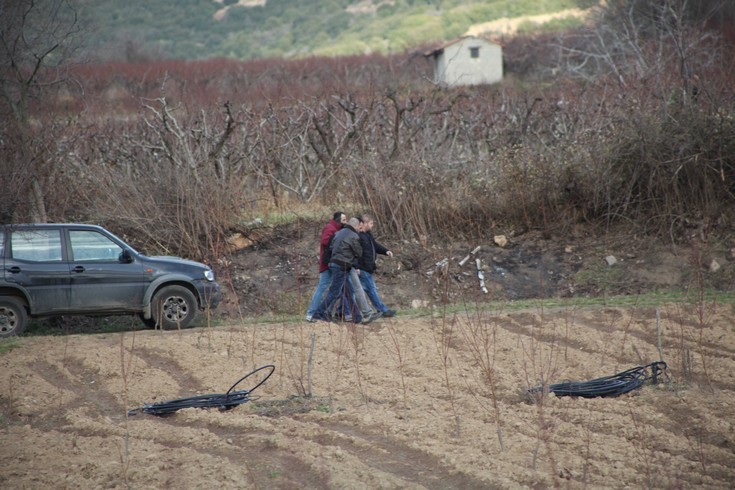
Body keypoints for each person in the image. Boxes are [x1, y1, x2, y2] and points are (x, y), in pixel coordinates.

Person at [310, 217, 380, 324]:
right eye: (359, 227)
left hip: (334, 264)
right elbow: (359, 253)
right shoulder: (353, 236)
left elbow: (331, 247)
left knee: (349, 291)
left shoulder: (338, 233)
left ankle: (357, 317)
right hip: (342, 266)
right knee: (334, 292)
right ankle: (318, 314)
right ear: (356, 226)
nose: (359, 229)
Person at [305, 211, 346, 322]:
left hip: (332, 262)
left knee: (337, 289)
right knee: (323, 287)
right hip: (327, 263)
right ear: (338, 220)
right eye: (344, 220)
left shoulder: (336, 229)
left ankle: (328, 313)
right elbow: (325, 241)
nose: (345, 222)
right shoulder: (330, 228)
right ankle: (311, 313)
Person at [356, 213, 396, 317]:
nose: (372, 225)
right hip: (363, 268)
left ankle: (343, 311)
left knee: (363, 290)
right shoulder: (359, 236)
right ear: (364, 223)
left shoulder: (368, 235)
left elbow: (375, 246)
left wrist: (386, 251)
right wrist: (357, 266)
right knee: (370, 289)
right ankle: (382, 310)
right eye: (370, 223)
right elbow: (356, 253)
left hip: (368, 268)